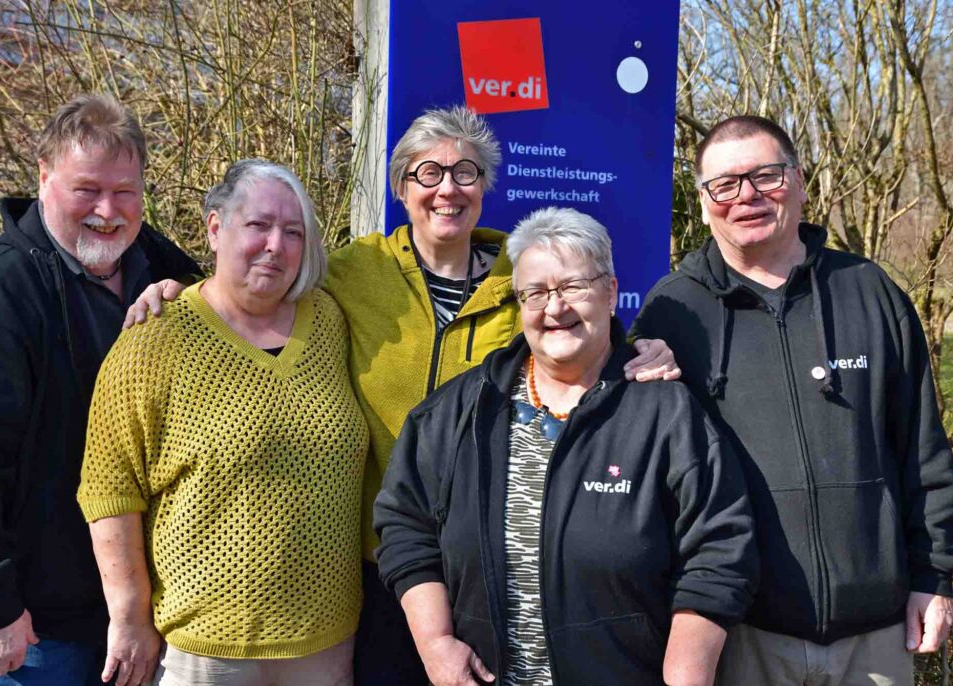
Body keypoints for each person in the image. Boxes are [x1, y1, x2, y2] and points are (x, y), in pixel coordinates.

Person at [123, 106, 679, 684]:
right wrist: (178, 290)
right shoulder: (352, 271)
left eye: (466, 172)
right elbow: (260, 280)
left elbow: (582, 320)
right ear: (401, 188)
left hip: (492, 570)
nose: (447, 190)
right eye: (427, 174)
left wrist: (640, 347)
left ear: (485, 187)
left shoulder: (525, 279)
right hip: (380, 569)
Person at [631, 115, 953, 685]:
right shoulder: (673, 313)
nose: (748, 197)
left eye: (767, 175)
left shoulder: (869, 292)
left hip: (875, 634)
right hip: (742, 634)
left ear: (800, 179)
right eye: (725, 184)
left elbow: (921, 447)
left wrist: (933, 576)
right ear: (706, 200)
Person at [373, 206, 759, 686]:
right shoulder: (459, 413)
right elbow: (406, 527)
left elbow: (719, 549)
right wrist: (435, 645)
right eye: (535, 292)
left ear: (612, 291)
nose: (554, 308)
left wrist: (685, 675)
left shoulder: (667, 414)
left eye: (573, 286)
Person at [0, 94, 200, 685]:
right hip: (40, 628)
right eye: (87, 190)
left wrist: (189, 296)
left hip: (148, 609)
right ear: (43, 178)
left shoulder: (155, 266)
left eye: (125, 191)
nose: (107, 211)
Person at [77, 160, 368, 686]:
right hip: (206, 652)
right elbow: (109, 491)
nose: (275, 245)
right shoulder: (155, 337)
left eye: (293, 232)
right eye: (258, 225)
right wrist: (129, 618)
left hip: (327, 642)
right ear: (215, 228)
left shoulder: (329, 320)